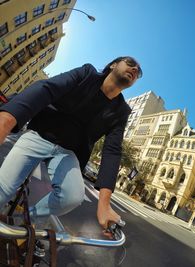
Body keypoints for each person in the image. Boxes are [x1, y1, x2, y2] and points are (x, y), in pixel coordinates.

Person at [0, 56, 142, 232]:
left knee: (72, 197)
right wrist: (7, 119)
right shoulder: (87, 74)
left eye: (138, 71)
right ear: (113, 65)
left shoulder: (122, 111)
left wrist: (104, 204)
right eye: (130, 63)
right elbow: (47, 88)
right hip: (40, 135)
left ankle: (27, 219)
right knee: (3, 191)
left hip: (69, 153)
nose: (135, 69)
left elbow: (112, 150)